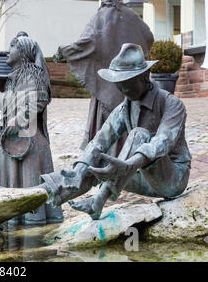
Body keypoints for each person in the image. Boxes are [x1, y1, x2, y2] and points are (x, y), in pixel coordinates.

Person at [37, 43, 191, 220]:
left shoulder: (172, 104)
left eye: (128, 83)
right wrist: (79, 169)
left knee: (138, 135)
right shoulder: (124, 108)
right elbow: (98, 142)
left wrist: (131, 163)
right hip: (140, 178)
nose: (124, 90)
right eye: (119, 84)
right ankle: (38, 195)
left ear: (144, 77)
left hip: (172, 181)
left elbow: (162, 142)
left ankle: (99, 200)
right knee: (97, 165)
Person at [56, 0, 154, 154]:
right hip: (132, 83)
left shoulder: (100, 17)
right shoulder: (131, 15)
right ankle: (130, 152)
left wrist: (63, 51)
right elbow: (149, 37)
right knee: (131, 113)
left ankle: (106, 154)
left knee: (108, 118)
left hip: (108, 83)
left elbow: (85, 43)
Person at [0, 35, 63, 224]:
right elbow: (9, 102)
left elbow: (39, 99)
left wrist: (18, 119)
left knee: (29, 183)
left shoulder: (31, 74)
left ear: (22, 53)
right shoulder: (16, 76)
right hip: (15, 138)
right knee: (8, 178)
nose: (8, 50)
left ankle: (32, 222)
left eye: (12, 46)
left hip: (29, 140)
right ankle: (13, 218)